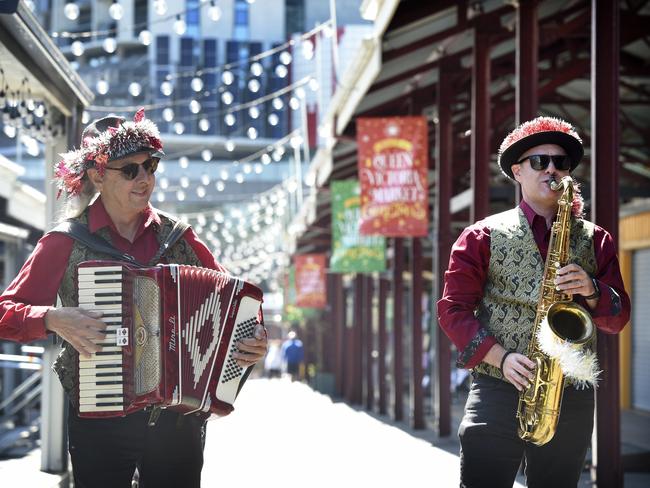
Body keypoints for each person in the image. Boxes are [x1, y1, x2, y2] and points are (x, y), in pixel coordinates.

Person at [0, 108, 268, 488]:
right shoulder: (66, 241)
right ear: (97, 176)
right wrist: (51, 319)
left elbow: (238, 305)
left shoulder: (179, 237)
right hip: (101, 423)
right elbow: (4, 312)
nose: (145, 179)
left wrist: (254, 338)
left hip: (178, 422)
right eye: (130, 170)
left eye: (151, 166)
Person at [437, 116, 630, 488]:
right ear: (517, 171)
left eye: (561, 162)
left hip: (568, 395)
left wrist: (591, 290)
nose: (552, 169)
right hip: (498, 387)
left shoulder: (597, 239)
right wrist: (501, 358)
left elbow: (618, 319)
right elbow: (452, 311)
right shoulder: (480, 236)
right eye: (541, 161)